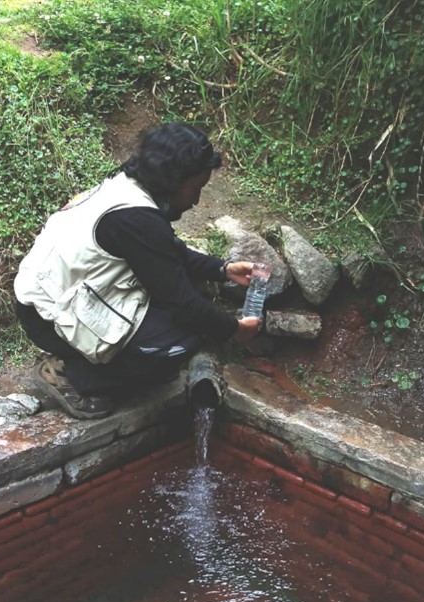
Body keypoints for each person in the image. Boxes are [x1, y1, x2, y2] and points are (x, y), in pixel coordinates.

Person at [13, 122, 261, 419]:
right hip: (48, 316)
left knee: (188, 310)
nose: (196, 201)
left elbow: (167, 250)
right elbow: (182, 303)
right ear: (173, 180)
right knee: (180, 344)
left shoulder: (129, 183)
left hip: (61, 294)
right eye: (195, 188)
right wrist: (234, 330)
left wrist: (223, 269)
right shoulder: (136, 218)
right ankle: (71, 373)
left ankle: (91, 358)